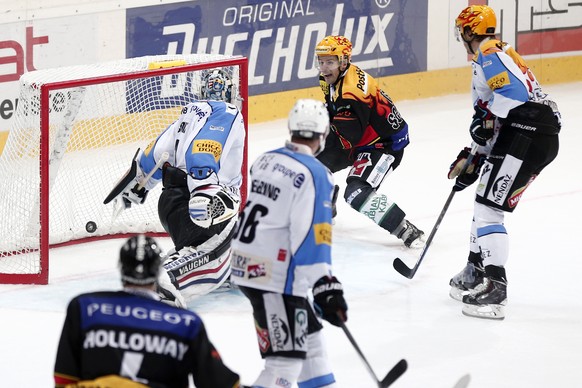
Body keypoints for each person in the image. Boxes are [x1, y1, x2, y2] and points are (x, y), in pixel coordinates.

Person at [448, 5, 561, 320]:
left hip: (527, 134)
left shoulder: (489, 54)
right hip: (526, 133)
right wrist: (474, 153)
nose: (460, 37)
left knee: (488, 209)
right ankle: (475, 269)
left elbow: (513, 97)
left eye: (462, 31)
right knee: (484, 202)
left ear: (470, 31)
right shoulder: (495, 52)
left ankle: (496, 289)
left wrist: (483, 125)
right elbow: (496, 115)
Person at [230, 99, 348, 387]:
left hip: (247, 265)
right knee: (284, 366)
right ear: (323, 134)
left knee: (312, 345)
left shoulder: (266, 159)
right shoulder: (316, 173)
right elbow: (311, 233)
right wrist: (324, 284)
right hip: (275, 278)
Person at [105, 71, 245, 307]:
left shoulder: (188, 115)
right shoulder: (226, 111)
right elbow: (203, 151)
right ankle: (156, 281)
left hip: (171, 202)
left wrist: (140, 185)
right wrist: (204, 190)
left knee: (232, 246)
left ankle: (221, 262)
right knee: (213, 258)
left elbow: (156, 154)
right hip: (201, 204)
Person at [54, 235, 242, 388]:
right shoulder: (186, 323)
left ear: (120, 268)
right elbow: (219, 383)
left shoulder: (85, 308)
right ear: (159, 271)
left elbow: (63, 379)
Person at [313, 35, 425, 249]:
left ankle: (404, 228)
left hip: (383, 145)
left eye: (330, 62)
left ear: (344, 61)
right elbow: (335, 116)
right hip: (361, 135)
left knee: (356, 192)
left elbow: (349, 135)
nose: (324, 68)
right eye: (321, 61)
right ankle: (327, 201)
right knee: (310, 165)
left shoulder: (352, 92)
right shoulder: (332, 79)